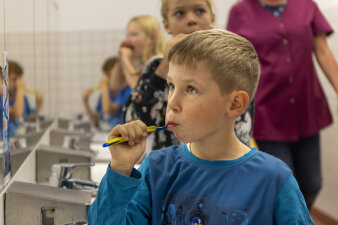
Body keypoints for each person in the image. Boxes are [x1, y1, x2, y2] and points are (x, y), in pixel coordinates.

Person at [88, 29, 314, 225]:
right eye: (171, 86)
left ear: (235, 104)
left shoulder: (274, 179)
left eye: (191, 90)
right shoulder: (157, 169)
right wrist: (120, 169)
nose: (173, 103)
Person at [226, 0, 338, 209]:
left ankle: (296, 218)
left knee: (312, 183)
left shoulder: (307, 6)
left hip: (306, 110)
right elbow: (235, 63)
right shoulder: (240, 12)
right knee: (284, 186)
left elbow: (322, 51)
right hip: (267, 114)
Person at [124, 0, 255, 152]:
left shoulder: (232, 67)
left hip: (219, 170)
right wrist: (166, 64)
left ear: (212, 19)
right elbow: (133, 120)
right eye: (180, 13)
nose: (191, 20)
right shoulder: (156, 67)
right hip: (169, 170)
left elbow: (241, 131)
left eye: (200, 11)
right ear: (166, 25)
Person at [113, 15, 166, 89]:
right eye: (127, 35)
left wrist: (125, 59)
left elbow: (139, 90)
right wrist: (120, 58)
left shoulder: (158, 62)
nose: (128, 40)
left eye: (134, 34)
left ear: (152, 38)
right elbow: (115, 86)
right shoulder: (141, 64)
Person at [82, 56, 128, 130]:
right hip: (104, 134)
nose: (106, 78)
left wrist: (104, 87)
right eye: (106, 75)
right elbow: (96, 121)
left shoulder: (126, 91)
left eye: (109, 75)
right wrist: (85, 101)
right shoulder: (106, 93)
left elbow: (108, 110)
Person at [0, 61, 43, 138]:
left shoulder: (22, 98)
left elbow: (30, 119)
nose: (17, 83)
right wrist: (20, 89)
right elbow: (16, 113)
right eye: (14, 79)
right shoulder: (2, 98)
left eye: (19, 80)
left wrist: (39, 104)